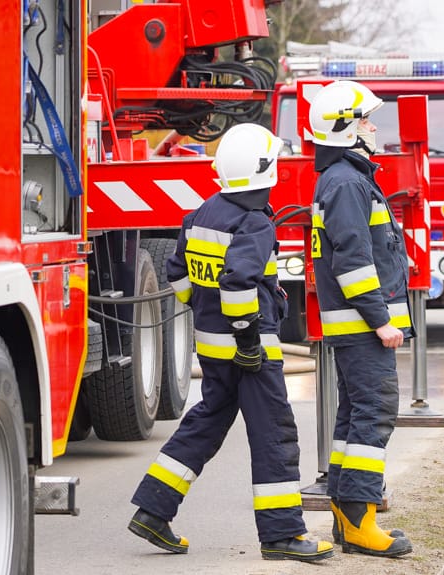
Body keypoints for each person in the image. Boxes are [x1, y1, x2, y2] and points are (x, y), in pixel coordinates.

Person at [127, 123, 334, 563]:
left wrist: (208, 312)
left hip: (212, 347)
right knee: (274, 435)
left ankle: (153, 510)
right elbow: (239, 281)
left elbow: (178, 275)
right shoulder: (254, 222)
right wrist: (246, 339)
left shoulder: (202, 212)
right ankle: (282, 535)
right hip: (249, 351)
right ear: (266, 171)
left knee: (204, 424)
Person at [308, 80, 414, 558]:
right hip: (363, 327)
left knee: (353, 417)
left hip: (355, 327)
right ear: (347, 128)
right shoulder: (348, 182)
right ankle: (360, 522)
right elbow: (352, 261)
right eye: (366, 119)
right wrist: (381, 320)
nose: (373, 125)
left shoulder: (343, 178)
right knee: (373, 416)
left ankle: (348, 518)